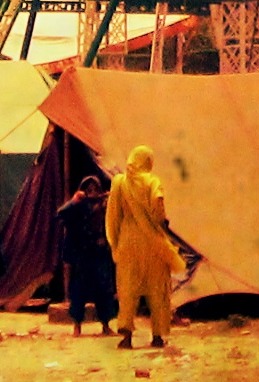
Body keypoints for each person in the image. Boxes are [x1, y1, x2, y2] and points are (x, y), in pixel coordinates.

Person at [105, 142, 178, 350]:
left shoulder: (120, 182)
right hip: (152, 242)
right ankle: (157, 336)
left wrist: (115, 242)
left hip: (128, 242)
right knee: (157, 289)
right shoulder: (153, 181)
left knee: (127, 289)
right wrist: (161, 222)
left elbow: (112, 216)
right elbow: (158, 204)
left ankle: (126, 336)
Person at [58, 172, 115, 336]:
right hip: (81, 255)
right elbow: (60, 214)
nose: (92, 191)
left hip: (99, 254)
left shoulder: (105, 205)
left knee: (103, 290)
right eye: (88, 188)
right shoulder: (78, 205)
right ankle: (77, 325)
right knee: (78, 292)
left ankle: (105, 325)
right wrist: (74, 201)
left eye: (94, 188)